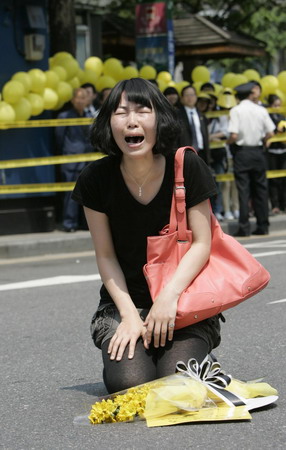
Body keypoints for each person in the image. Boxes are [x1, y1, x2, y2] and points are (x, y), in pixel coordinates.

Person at [72, 78, 221, 394]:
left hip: (182, 299)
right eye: (121, 112)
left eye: (143, 110)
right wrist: (128, 316)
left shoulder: (187, 166)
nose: (131, 121)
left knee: (178, 384)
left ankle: (191, 352)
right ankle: (139, 345)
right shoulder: (95, 178)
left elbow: (202, 243)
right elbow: (106, 255)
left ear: (161, 119)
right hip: (128, 301)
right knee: (130, 385)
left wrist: (168, 298)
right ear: (109, 121)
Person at [227, 82, 275, 236]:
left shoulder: (236, 110)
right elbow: (271, 132)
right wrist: (263, 139)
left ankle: (244, 227)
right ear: (249, 94)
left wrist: (226, 143)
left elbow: (234, 135)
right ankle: (263, 225)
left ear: (237, 97)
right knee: (261, 189)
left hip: (242, 153)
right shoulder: (261, 110)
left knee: (244, 191)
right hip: (258, 151)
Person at [55, 87, 93, 232]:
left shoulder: (88, 116)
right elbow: (59, 138)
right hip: (71, 159)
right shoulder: (64, 117)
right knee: (70, 194)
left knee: (88, 194)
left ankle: (85, 223)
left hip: (87, 161)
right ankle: (69, 223)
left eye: (84, 98)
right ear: (72, 100)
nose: (81, 101)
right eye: (78, 98)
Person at [177, 85, 211, 165]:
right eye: (187, 95)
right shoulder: (177, 115)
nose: (190, 98)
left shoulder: (201, 115)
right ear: (182, 98)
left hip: (201, 153)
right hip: (185, 153)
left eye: (192, 95)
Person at [266, 94, 286, 214]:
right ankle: (275, 205)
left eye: (279, 105)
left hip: (283, 151)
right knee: (273, 180)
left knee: (284, 179)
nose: (277, 107)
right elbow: (267, 132)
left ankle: (284, 204)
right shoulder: (267, 117)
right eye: (275, 105)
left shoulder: (282, 116)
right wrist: (274, 131)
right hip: (271, 152)